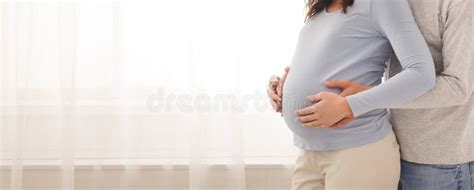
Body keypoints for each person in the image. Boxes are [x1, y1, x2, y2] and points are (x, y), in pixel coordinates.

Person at [269, 0, 473, 189]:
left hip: (435, 157)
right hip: (314, 149)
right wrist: (286, 86)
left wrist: (353, 103)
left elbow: (455, 85)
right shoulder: (323, 7)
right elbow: (345, 59)